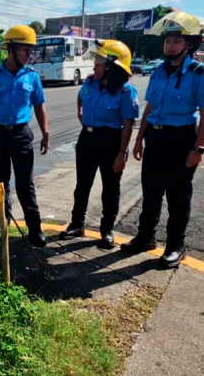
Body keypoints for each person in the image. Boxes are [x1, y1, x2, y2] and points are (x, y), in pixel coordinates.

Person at [120, 11, 204, 268]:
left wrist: (199, 148)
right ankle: (145, 238)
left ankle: (175, 246)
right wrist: (139, 140)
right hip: (155, 137)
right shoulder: (158, 71)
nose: (169, 46)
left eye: (176, 41)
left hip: (181, 139)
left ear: (189, 44)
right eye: (167, 41)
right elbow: (150, 108)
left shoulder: (200, 73)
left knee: (177, 196)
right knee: (150, 193)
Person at [59, 39, 139, 249]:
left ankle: (107, 231)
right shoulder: (90, 82)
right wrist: (81, 114)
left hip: (111, 142)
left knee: (110, 189)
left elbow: (128, 125)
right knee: (82, 185)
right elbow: (81, 98)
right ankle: (77, 224)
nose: (95, 65)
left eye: (100, 62)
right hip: (87, 139)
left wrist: (122, 153)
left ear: (113, 66)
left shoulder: (125, 92)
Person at [0, 25, 50, 247]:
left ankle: (34, 229)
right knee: (0, 183)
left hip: (21, 135)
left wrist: (46, 133)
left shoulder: (32, 77)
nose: (30, 55)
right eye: (25, 50)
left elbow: (39, 107)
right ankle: (3, 221)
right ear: (11, 49)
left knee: (25, 185)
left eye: (31, 51)